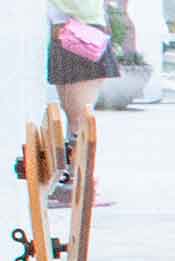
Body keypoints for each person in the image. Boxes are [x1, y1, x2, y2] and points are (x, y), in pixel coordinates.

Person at [45, 0, 120, 205]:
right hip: (80, 34)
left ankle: (75, 182)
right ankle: (76, 183)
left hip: (72, 33)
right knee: (79, 119)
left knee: (77, 119)